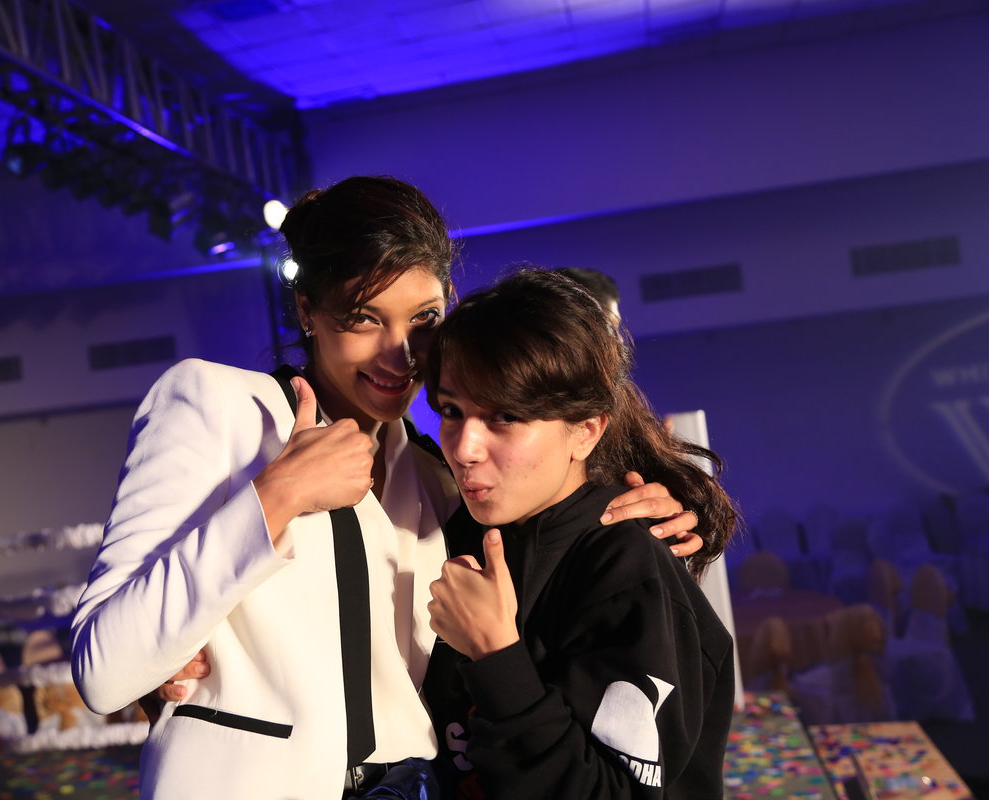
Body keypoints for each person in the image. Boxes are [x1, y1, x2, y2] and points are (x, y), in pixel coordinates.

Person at [70, 176, 701, 800]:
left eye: (423, 319)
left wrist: (669, 512)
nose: (400, 356)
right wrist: (277, 495)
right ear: (306, 311)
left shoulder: (439, 473)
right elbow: (103, 671)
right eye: (364, 319)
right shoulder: (221, 406)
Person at [423, 269, 737, 799]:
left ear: (586, 430)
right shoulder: (454, 526)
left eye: (505, 416)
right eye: (452, 411)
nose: (464, 447)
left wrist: (496, 656)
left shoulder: (625, 565)